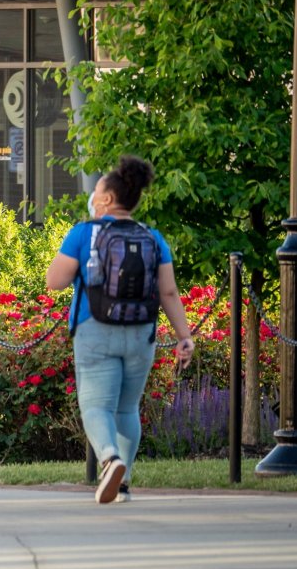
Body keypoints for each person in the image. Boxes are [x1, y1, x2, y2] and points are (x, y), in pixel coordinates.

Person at [46, 155, 195, 504]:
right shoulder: (153, 238)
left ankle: (109, 458)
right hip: (141, 334)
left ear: (108, 199)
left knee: (96, 406)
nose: (93, 196)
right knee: (127, 408)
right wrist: (184, 336)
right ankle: (123, 482)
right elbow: (168, 292)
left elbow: (54, 281)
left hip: (94, 329)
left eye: (97, 191)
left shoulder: (84, 233)